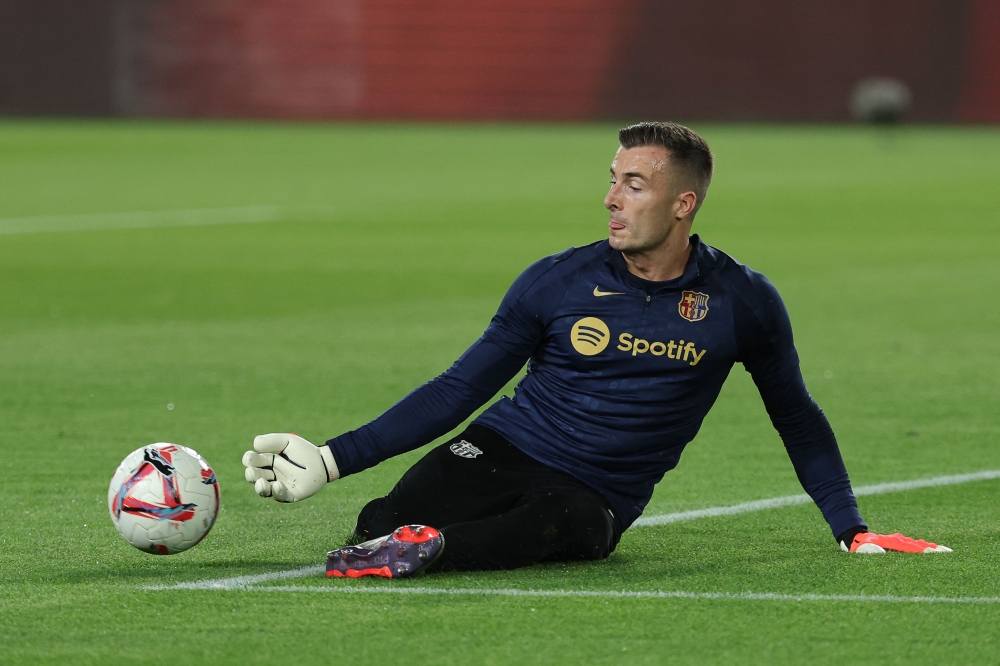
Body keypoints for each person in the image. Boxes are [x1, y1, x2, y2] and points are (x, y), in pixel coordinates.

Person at [242, 122, 951, 579]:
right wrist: (333, 459)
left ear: (683, 204)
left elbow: (795, 415)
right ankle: (404, 539)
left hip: (596, 492)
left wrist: (850, 529)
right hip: (502, 446)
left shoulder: (742, 302)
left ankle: (432, 550)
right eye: (612, 179)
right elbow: (459, 389)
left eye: (633, 184)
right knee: (378, 523)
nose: (611, 198)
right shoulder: (558, 280)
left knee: (551, 524)